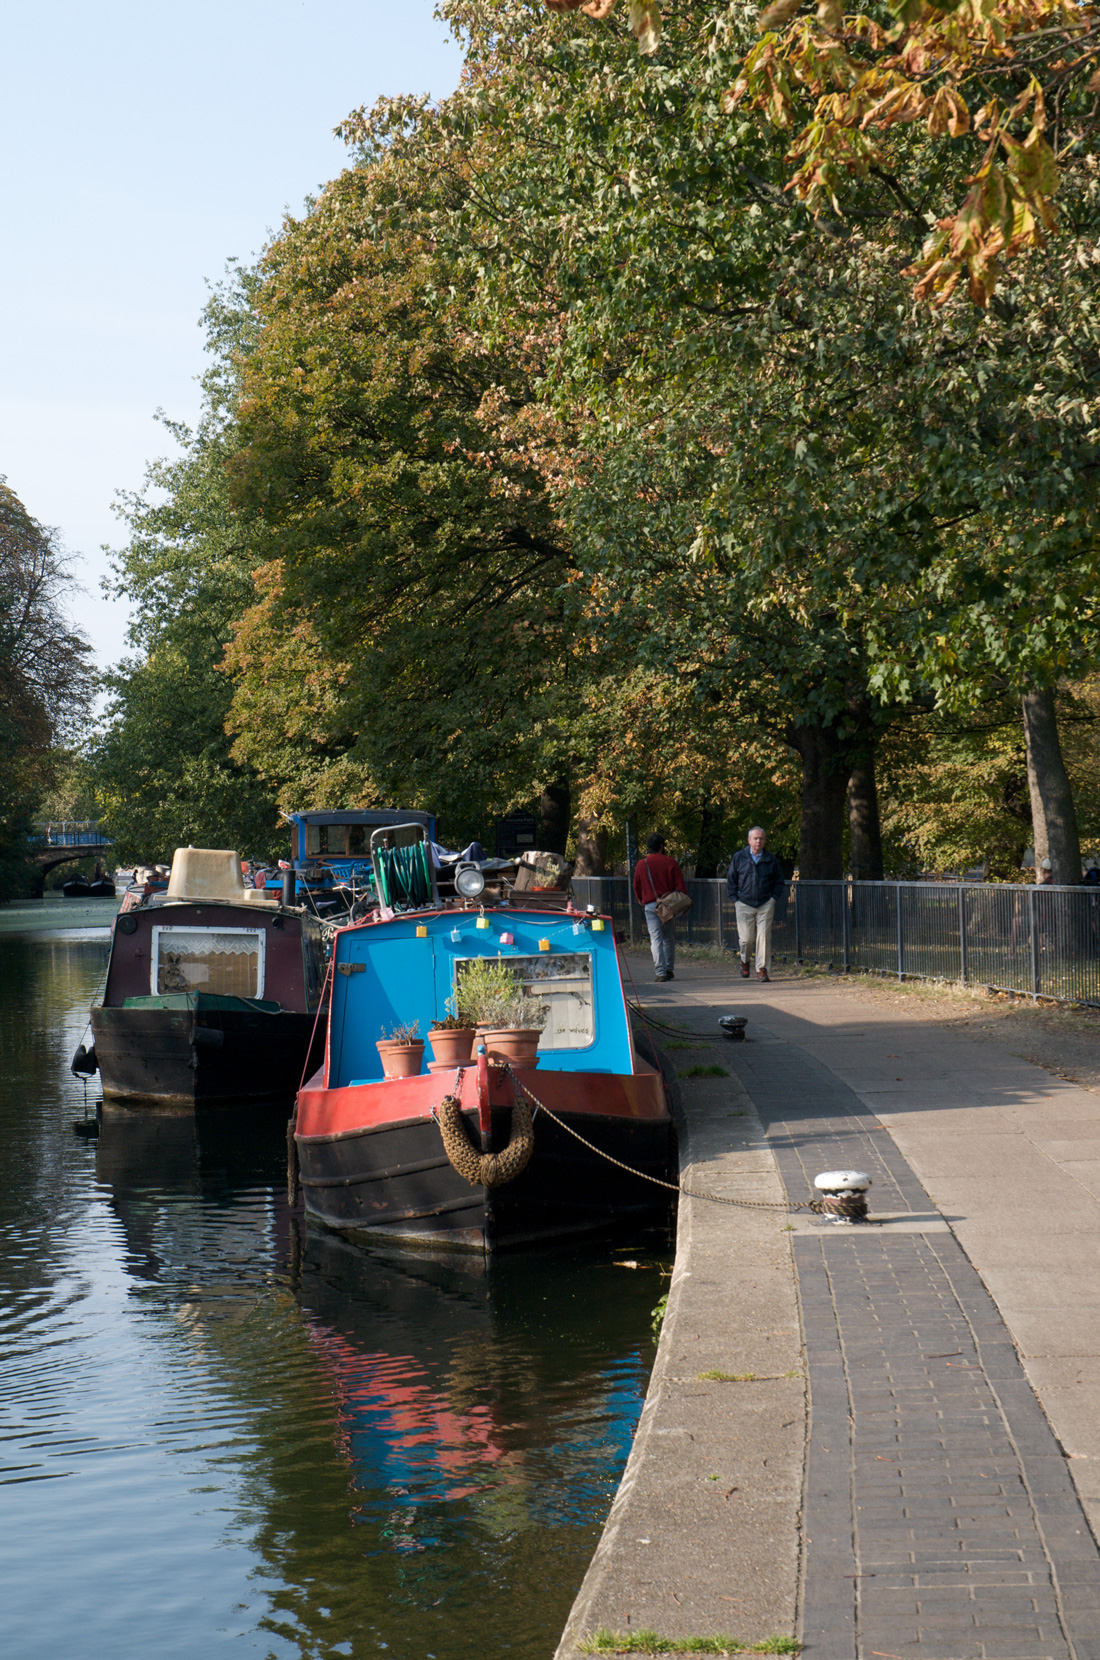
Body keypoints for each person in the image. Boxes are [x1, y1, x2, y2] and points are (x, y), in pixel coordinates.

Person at [727, 826, 786, 982]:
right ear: (749, 840)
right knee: (746, 939)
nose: (758, 841)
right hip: (744, 903)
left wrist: (773, 898)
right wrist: (735, 899)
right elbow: (731, 879)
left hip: (765, 903)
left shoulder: (770, 859)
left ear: (765, 841)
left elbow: (779, 881)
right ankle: (745, 960)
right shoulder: (739, 857)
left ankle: (762, 968)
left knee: (764, 937)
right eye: (755, 838)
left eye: (761, 838)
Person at [633, 833, 688, 982]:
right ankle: (669, 968)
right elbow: (680, 886)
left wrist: (641, 899)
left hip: (650, 905)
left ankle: (660, 971)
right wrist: (683, 905)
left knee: (655, 938)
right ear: (662, 846)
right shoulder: (671, 862)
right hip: (668, 906)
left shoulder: (641, 864)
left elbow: (636, 885)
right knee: (668, 938)